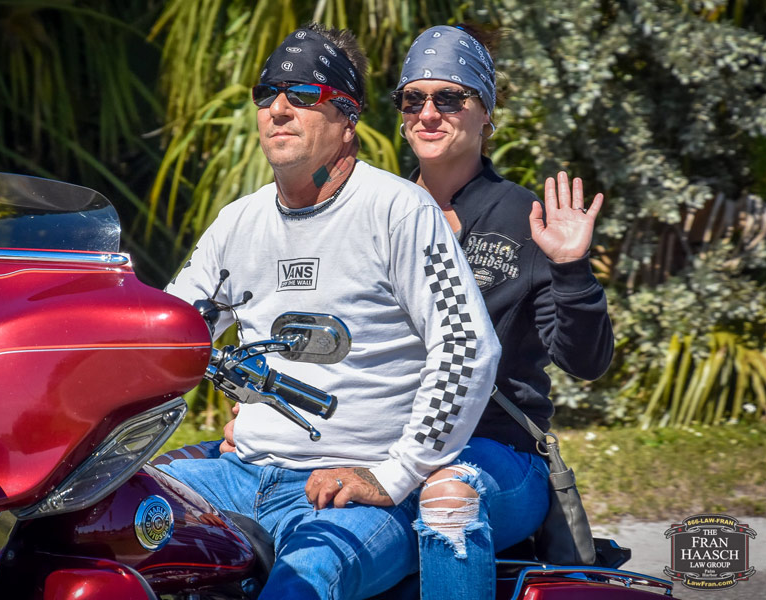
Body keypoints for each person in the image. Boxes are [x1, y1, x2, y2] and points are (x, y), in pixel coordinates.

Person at [159, 23, 501, 600]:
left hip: (348, 485)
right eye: (267, 94)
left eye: (302, 93)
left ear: (348, 118)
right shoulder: (238, 222)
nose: (279, 109)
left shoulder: (398, 210)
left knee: (300, 585)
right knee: (94, 525)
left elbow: (467, 348)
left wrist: (394, 475)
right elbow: (170, 335)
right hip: (237, 474)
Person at [393, 24, 614, 600]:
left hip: (496, 454)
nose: (428, 114)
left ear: (486, 113)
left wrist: (571, 268)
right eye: (413, 99)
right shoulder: (379, 210)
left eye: (450, 98)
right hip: (387, 447)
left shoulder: (523, 217)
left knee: (448, 499)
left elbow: (585, 362)